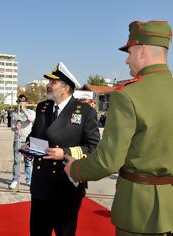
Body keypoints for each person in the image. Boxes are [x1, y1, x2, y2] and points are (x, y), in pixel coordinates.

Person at [65, 20, 173, 236]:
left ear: (142, 51)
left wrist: (75, 169)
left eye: (130, 52)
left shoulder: (128, 96)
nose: (126, 60)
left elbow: (108, 161)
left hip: (140, 211)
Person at [25, 62, 100, 236]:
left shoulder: (85, 111)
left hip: (66, 185)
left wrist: (64, 153)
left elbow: (93, 146)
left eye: (53, 82)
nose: (48, 85)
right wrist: (28, 145)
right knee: (38, 232)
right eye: (49, 82)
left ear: (66, 87)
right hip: (41, 184)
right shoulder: (43, 107)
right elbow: (35, 134)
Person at [9, 94, 35, 189]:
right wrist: (15, 127)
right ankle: (15, 180)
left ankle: (29, 180)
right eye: (19, 102)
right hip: (17, 139)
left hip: (27, 140)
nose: (21, 104)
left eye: (23, 102)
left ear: (26, 103)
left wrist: (24, 110)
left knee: (28, 161)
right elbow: (11, 127)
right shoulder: (14, 114)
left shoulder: (31, 112)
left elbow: (31, 119)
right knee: (16, 161)